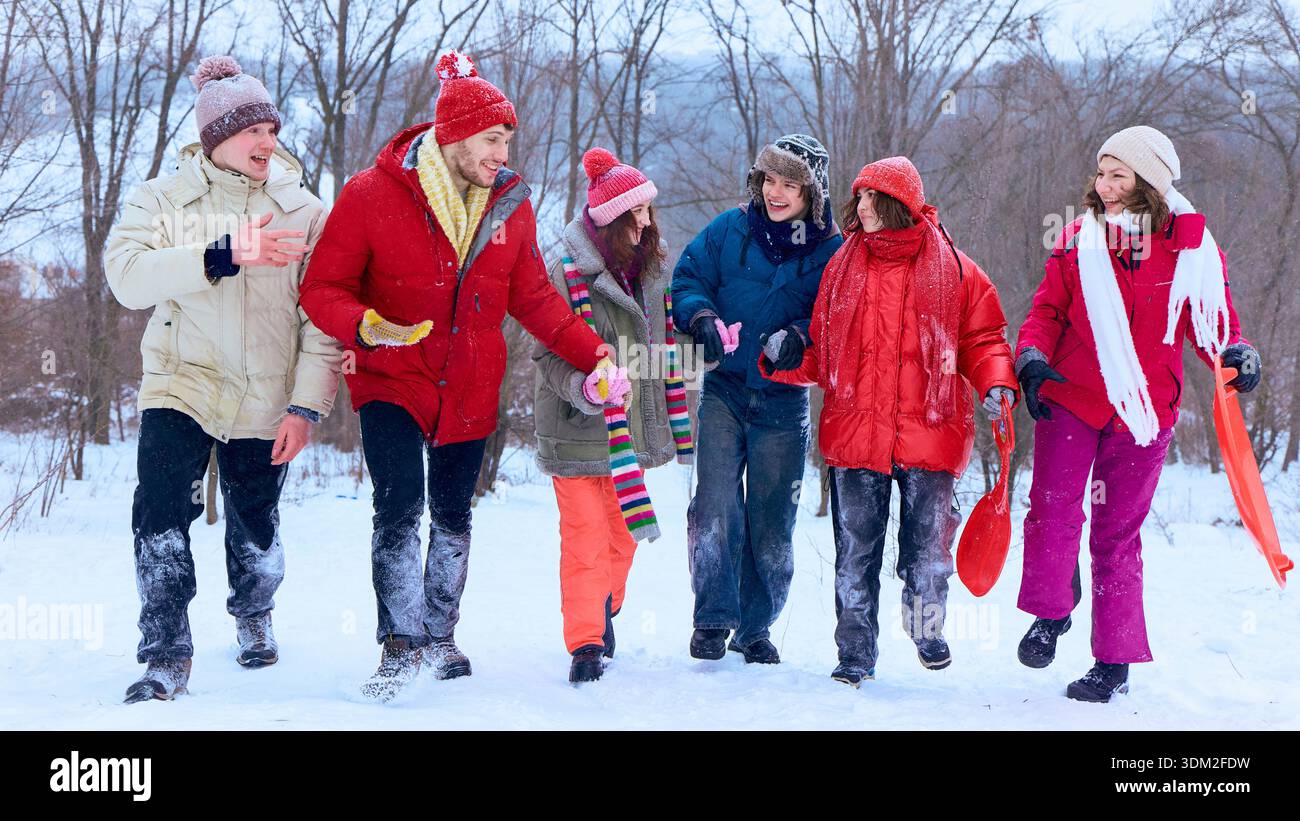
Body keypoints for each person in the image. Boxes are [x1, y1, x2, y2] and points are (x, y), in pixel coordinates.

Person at [298, 51, 614, 701]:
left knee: (451, 513)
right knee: (398, 505)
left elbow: (536, 300)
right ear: (456, 136)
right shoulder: (370, 195)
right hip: (392, 375)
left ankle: (439, 633)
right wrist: (366, 324)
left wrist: (594, 354)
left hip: (470, 384)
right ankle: (398, 641)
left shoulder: (510, 207)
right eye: (494, 139)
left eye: (507, 140)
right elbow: (320, 287)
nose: (503, 152)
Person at [105, 56, 342, 702]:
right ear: (216, 138)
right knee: (158, 513)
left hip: (266, 396)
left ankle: (254, 613)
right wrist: (219, 253)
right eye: (252, 131)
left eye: (272, 129)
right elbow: (125, 274)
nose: (268, 142)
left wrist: (305, 406)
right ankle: (164, 654)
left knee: (256, 522)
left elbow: (321, 319)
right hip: (180, 384)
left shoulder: (304, 212)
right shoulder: (163, 198)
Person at [1014, 125, 1260, 702]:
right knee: (1051, 509)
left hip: (1146, 412)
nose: (1104, 186)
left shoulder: (1193, 247)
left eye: (1117, 175)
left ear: (1148, 182)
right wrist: (1030, 353)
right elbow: (1048, 310)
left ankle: (1113, 661)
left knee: (1117, 536)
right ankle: (1051, 614)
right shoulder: (1077, 239)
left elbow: (1213, 323)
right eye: (1100, 174)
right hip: (1071, 397)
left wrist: (1237, 352)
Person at [761, 156, 1017, 686]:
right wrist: (786, 354)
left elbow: (983, 339)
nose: (864, 207)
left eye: (875, 198)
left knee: (927, 551)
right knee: (854, 554)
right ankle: (855, 654)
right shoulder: (841, 267)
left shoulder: (957, 270)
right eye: (860, 198)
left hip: (931, 431)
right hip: (856, 434)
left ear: (901, 205)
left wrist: (995, 383)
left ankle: (926, 629)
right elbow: (823, 349)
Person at [671, 134, 843, 664]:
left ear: (811, 193)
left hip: (783, 403)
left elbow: (834, 317)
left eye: (790, 184)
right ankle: (712, 618)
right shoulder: (731, 229)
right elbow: (687, 277)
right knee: (715, 506)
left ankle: (754, 627)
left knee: (772, 522)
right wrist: (699, 317)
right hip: (724, 392)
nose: (775, 192)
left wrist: (799, 335)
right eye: (769, 179)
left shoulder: (831, 251)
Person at [533, 148, 693, 683]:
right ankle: (585, 643)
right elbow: (546, 357)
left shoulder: (652, 275)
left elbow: (662, 351)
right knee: (584, 537)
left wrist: (707, 349)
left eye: (648, 211)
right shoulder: (568, 273)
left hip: (632, 433)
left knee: (623, 536)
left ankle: (604, 609)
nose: (645, 223)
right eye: (635, 214)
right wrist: (586, 385)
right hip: (577, 432)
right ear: (609, 219)